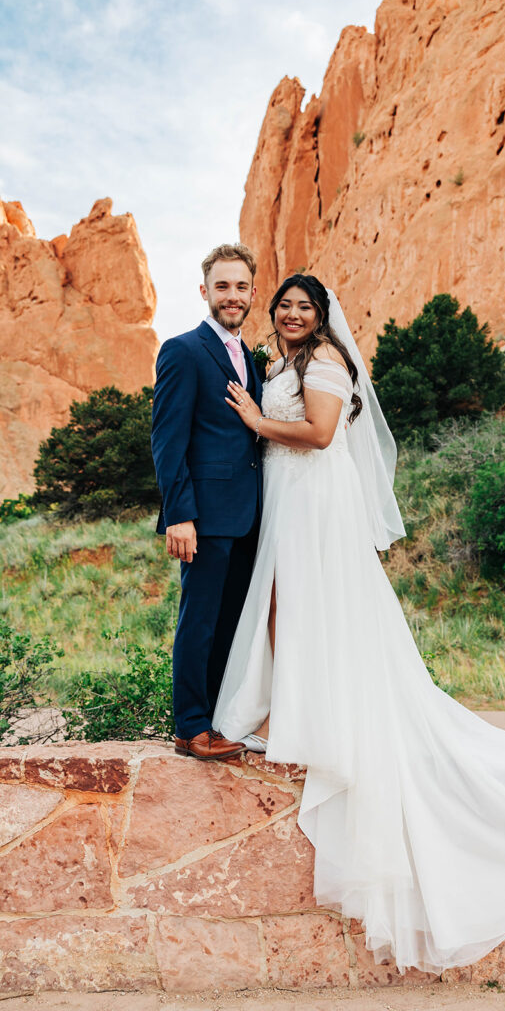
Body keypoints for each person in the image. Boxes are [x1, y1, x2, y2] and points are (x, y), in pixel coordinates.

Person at [212, 274, 505, 974]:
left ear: (321, 317)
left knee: (310, 600)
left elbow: (320, 435)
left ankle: (308, 714)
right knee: (290, 604)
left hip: (315, 498)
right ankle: (292, 707)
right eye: (284, 305)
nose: (292, 314)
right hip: (289, 498)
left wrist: (259, 424)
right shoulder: (279, 363)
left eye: (304, 306)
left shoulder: (325, 362)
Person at [151, 243, 263, 761]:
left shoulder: (252, 359)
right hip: (205, 516)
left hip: (249, 516)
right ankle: (190, 726)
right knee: (198, 620)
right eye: (222, 286)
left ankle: (218, 720)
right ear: (205, 291)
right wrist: (179, 515)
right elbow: (167, 441)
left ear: (252, 293)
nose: (232, 296)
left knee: (230, 621)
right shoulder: (183, 350)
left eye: (241, 286)